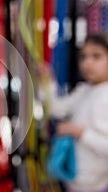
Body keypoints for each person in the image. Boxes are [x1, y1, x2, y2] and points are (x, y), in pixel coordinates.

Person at [42, 33, 108, 192]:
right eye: (83, 57)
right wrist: (47, 81)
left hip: (96, 186)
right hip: (73, 182)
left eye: (96, 56)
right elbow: (55, 109)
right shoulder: (83, 90)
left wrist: (78, 132)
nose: (87, 63)